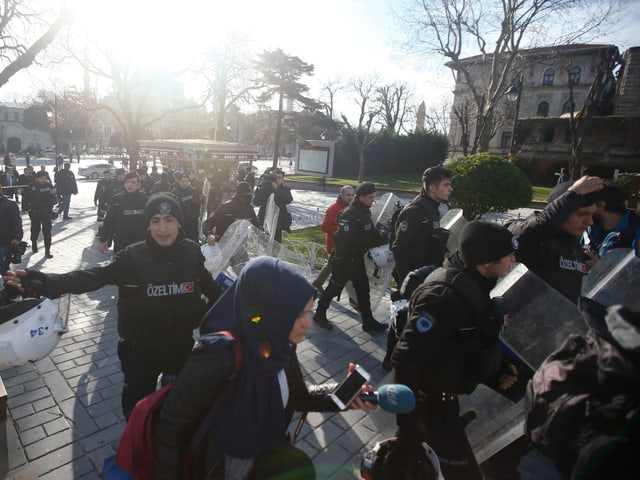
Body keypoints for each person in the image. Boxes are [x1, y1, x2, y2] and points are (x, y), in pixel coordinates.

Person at [151, 256, 376, 479]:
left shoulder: (279, 344)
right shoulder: (217, 355)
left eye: (309, 311)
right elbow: (169, 428)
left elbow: (298, 396)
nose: (308, 323)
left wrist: (345, 394)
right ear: (271, 311)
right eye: (299, 314)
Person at [4, 193, 221, 419]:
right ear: (148, 224)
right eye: (155, 221)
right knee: (137, 416)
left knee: (177, 416)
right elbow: (94, 276)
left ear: (179, 222)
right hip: (141, 353)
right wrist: (48, 283)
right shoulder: (134, 257)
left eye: (169, 220)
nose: (162, 228)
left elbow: (213, 290)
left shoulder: (192, 252)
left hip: (180, 349)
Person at [387, 221, 520, 480]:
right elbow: (406, 361)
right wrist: (408, 429)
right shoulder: (441, 297)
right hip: (432, 407)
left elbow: (468, 338)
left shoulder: (476, 281)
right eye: (508, 255)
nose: (514, 259)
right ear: (486, 261)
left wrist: (498, 366)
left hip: (455, 399)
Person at [507, 175, 604, 304]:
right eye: (582, 214)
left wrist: (589, 270)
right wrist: (575, 193)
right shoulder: (528, 234)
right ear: (560, 210)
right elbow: (541, 226)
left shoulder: (572, 242)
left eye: (592, 214)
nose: (590, 222)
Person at [313, 183, 388, 332]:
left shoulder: (364, 211)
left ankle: (368, 321)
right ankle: (319, 314)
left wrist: (382, 236)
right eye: (370, 197)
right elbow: (348, 240)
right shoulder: (350, 213)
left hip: (357, 259)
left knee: (363, 289)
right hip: (345, 259)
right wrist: (372, 240)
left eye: (374, 197)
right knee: (334, 288)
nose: (373, 200)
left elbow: (369, 231)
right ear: (361, 197)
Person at [391, 166, 453, 285]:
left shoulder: (433, 208)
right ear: (432, 188)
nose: (451, 189)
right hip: (414, 277)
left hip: (427, 274)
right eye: (446, 185)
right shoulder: (415, 210)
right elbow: (399, 248)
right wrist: (407, 281)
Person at [312, 185, 355, 292]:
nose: (351, 197)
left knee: (331, 266)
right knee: (341, 268)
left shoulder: (353, 208)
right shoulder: (333, 209)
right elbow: (325, 227)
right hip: (335, 244)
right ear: (342, 195)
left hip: (347, 244)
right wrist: (344, 228)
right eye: (348, 195)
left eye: (352, 195)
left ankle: (316, 285)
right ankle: (352, 296)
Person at [585, 183, 640, 258]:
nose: (584, 209)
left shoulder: (634, 232)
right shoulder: (589, 228)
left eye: (588, 204)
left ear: (601, 205)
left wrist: (600, 267)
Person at [100, 171, 149, 254]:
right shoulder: (117, 199)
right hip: (121, 242)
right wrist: (103, 240)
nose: (130, 185)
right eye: (127, 182)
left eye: (133, 182)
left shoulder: (146, 199)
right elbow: (108, 220)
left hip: (141, 243)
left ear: (139, 185)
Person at [253, 169, 293, 243]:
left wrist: (276, 189)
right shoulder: (265, 188)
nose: (276, 180)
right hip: (264, 221)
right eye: (274, 178)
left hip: (277, 223)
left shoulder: (284, 189)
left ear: (283, 180)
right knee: (263, 244)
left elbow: (288, 199)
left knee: (276, 245)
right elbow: (256, 202)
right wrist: (260, 188)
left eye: (279, 178)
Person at [28, 171, 57, 259]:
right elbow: (28, 200)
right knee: (35, 230)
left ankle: (47, 251)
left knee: (47, 232)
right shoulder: (32, 186)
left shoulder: (49, 186)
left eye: (44, 178)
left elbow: (55, 199)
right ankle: (34, 243)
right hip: (36, 212)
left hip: (46, 212)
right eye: (41, 178)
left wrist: (49, 204)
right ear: (37, 178)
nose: (43, 180)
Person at [171, 173, 200, 241]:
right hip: (181, 221)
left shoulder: (193, 190)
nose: (184, 183)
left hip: (191, 221)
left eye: (186, 181)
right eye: (183, 181)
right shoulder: (174, 193)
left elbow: (196, 204)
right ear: (179, 182)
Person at [0, 190, 22, 279]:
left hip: (6, 241)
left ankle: (10, 287)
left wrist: (17, 237)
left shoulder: (10, 204)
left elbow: (17, 222)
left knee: (3, 266)